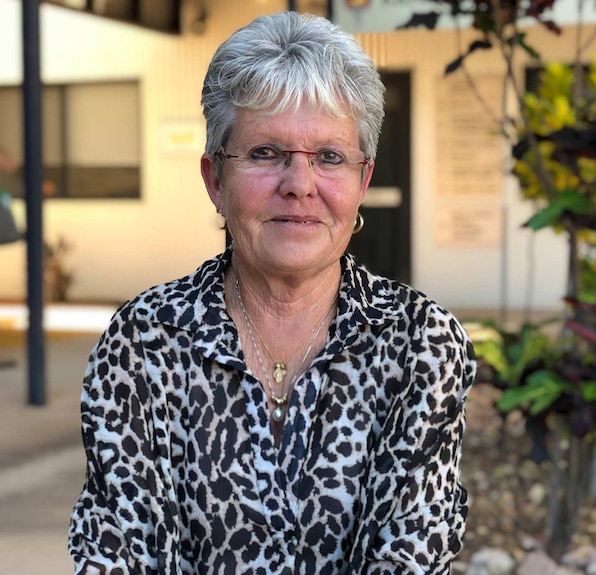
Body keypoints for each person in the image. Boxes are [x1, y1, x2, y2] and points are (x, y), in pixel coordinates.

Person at [68, 11, 476, 574]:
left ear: (362, 181)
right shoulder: (143, 342)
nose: (299, 184)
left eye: (329, 157)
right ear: (215, 180)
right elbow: (120, 552)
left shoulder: (421, 343)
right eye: (265, 153)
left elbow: (411, 550)